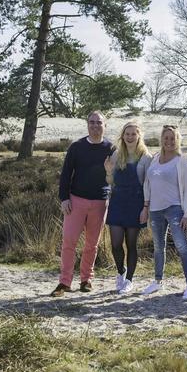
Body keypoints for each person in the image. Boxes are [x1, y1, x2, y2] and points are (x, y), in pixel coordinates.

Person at [53, 111, 111, 297]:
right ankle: (64, 282)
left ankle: (86, 280)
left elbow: (116, 175)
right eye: (91, 122)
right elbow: (66, 174)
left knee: (92, 245)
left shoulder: (111, 148)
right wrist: (64, 198)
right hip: (75, 200)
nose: (95, 125)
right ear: (87, 125)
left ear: (105, 125)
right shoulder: (76, 147)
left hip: (100, 202)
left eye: (99, 122)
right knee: (68, 241)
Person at [142, 125, 187, 300]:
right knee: (158, 247)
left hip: (175, 209)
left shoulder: (182, 160)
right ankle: (157, 281)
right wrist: (146, 205)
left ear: (178, 140)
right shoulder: (155, 158)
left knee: (181, 245)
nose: (169, 141)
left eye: (173, 138)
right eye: (166, 138)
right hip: (155, 210)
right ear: (162, 139)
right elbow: (147, 183)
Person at [104, 122, 151, 295]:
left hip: (136, 203)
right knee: (116, 244)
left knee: (131, 244)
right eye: (127, 134)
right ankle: (121, 272)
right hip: (117, 202)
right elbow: (110, 182)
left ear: (139, 136)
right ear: (123, 136)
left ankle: (129, 280)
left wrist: (145, 208)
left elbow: (148, 185)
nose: (130, 137)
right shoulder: (117, 154)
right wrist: (108, 172)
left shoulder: (146, 157)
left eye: (133, 134)